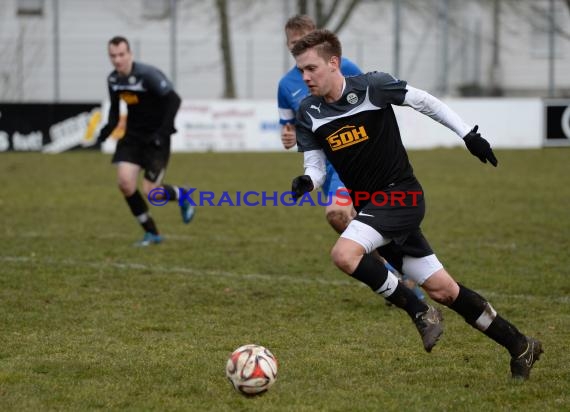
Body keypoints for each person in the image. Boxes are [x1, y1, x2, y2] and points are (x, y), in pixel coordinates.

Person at [290, 29, 542, 380]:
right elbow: (315, 166)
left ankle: (418, 311)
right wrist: (308, 181)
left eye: (310, 68)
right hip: (372, 210)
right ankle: (519, 345)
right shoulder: (308, 112)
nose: (304, 76)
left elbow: (425, 101)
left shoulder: (372, 87)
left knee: (344, 254)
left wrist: (468, 134)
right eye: (300, 69)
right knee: (445, 290)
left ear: (333, 63)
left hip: (400, 195)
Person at [278, 15, 424, 301]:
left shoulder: (344, 68)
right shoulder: (286, 85)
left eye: (303, 42)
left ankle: (402, 275)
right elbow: (288, 126)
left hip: (357, 161)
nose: (298, 48)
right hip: (325, 165)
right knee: (339, 218)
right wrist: (288, 136)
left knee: (341, 214)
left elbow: (369, 101)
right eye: (293, 44)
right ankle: (391, 275)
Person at [96, 36, 195, 246]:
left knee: (153, 193)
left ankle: (183, 195)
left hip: (156, 139)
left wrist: (163, 132)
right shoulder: (113, 80)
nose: (117, 60)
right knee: (125, 183)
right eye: (113, 56)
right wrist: (105, 131)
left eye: (121, 55)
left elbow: (174, 100)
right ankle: (152, 233)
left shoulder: (147, 75)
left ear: (130, 54)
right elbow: (115, 111)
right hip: (132, 137)